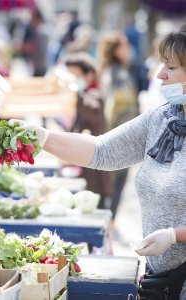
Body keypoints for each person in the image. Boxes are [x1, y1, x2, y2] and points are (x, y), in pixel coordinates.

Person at [14, 30, 186, 298]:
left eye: (171, 67)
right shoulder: (161, 119)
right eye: (161, 64)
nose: (160, 74)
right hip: (161, 280)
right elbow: (102, 150)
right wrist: (42, 137)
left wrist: (176, 235)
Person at [98, 32, 139, 220]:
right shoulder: (120, 75)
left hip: (110, 132)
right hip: (121, 132)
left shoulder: (107, 71)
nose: (128, 49)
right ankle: (109, 222)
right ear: (116, 51)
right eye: (124, 46)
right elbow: (118, 107)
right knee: (116, 183)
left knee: (108, 182)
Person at [63, 53, 113, 206]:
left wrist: (75, 92)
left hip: (95, 173)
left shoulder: (95, 94)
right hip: (84, 168)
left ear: (89, 75)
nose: (71, 80)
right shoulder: (82, 94)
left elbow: (93, 112)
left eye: (75, 76)